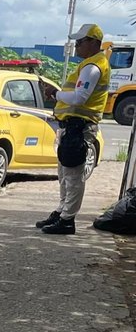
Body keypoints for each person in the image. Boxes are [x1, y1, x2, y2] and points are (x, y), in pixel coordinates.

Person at [37, 23, 111, 235]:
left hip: (80, 126)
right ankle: (62, 212)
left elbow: (80, 98)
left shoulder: (92, 67)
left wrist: (56, 94)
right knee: (65, 172)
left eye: (80, 42)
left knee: (73, 175)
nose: (76, 46)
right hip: (72, 126)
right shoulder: (89, 64)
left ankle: (67, 219)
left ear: (93, 43)